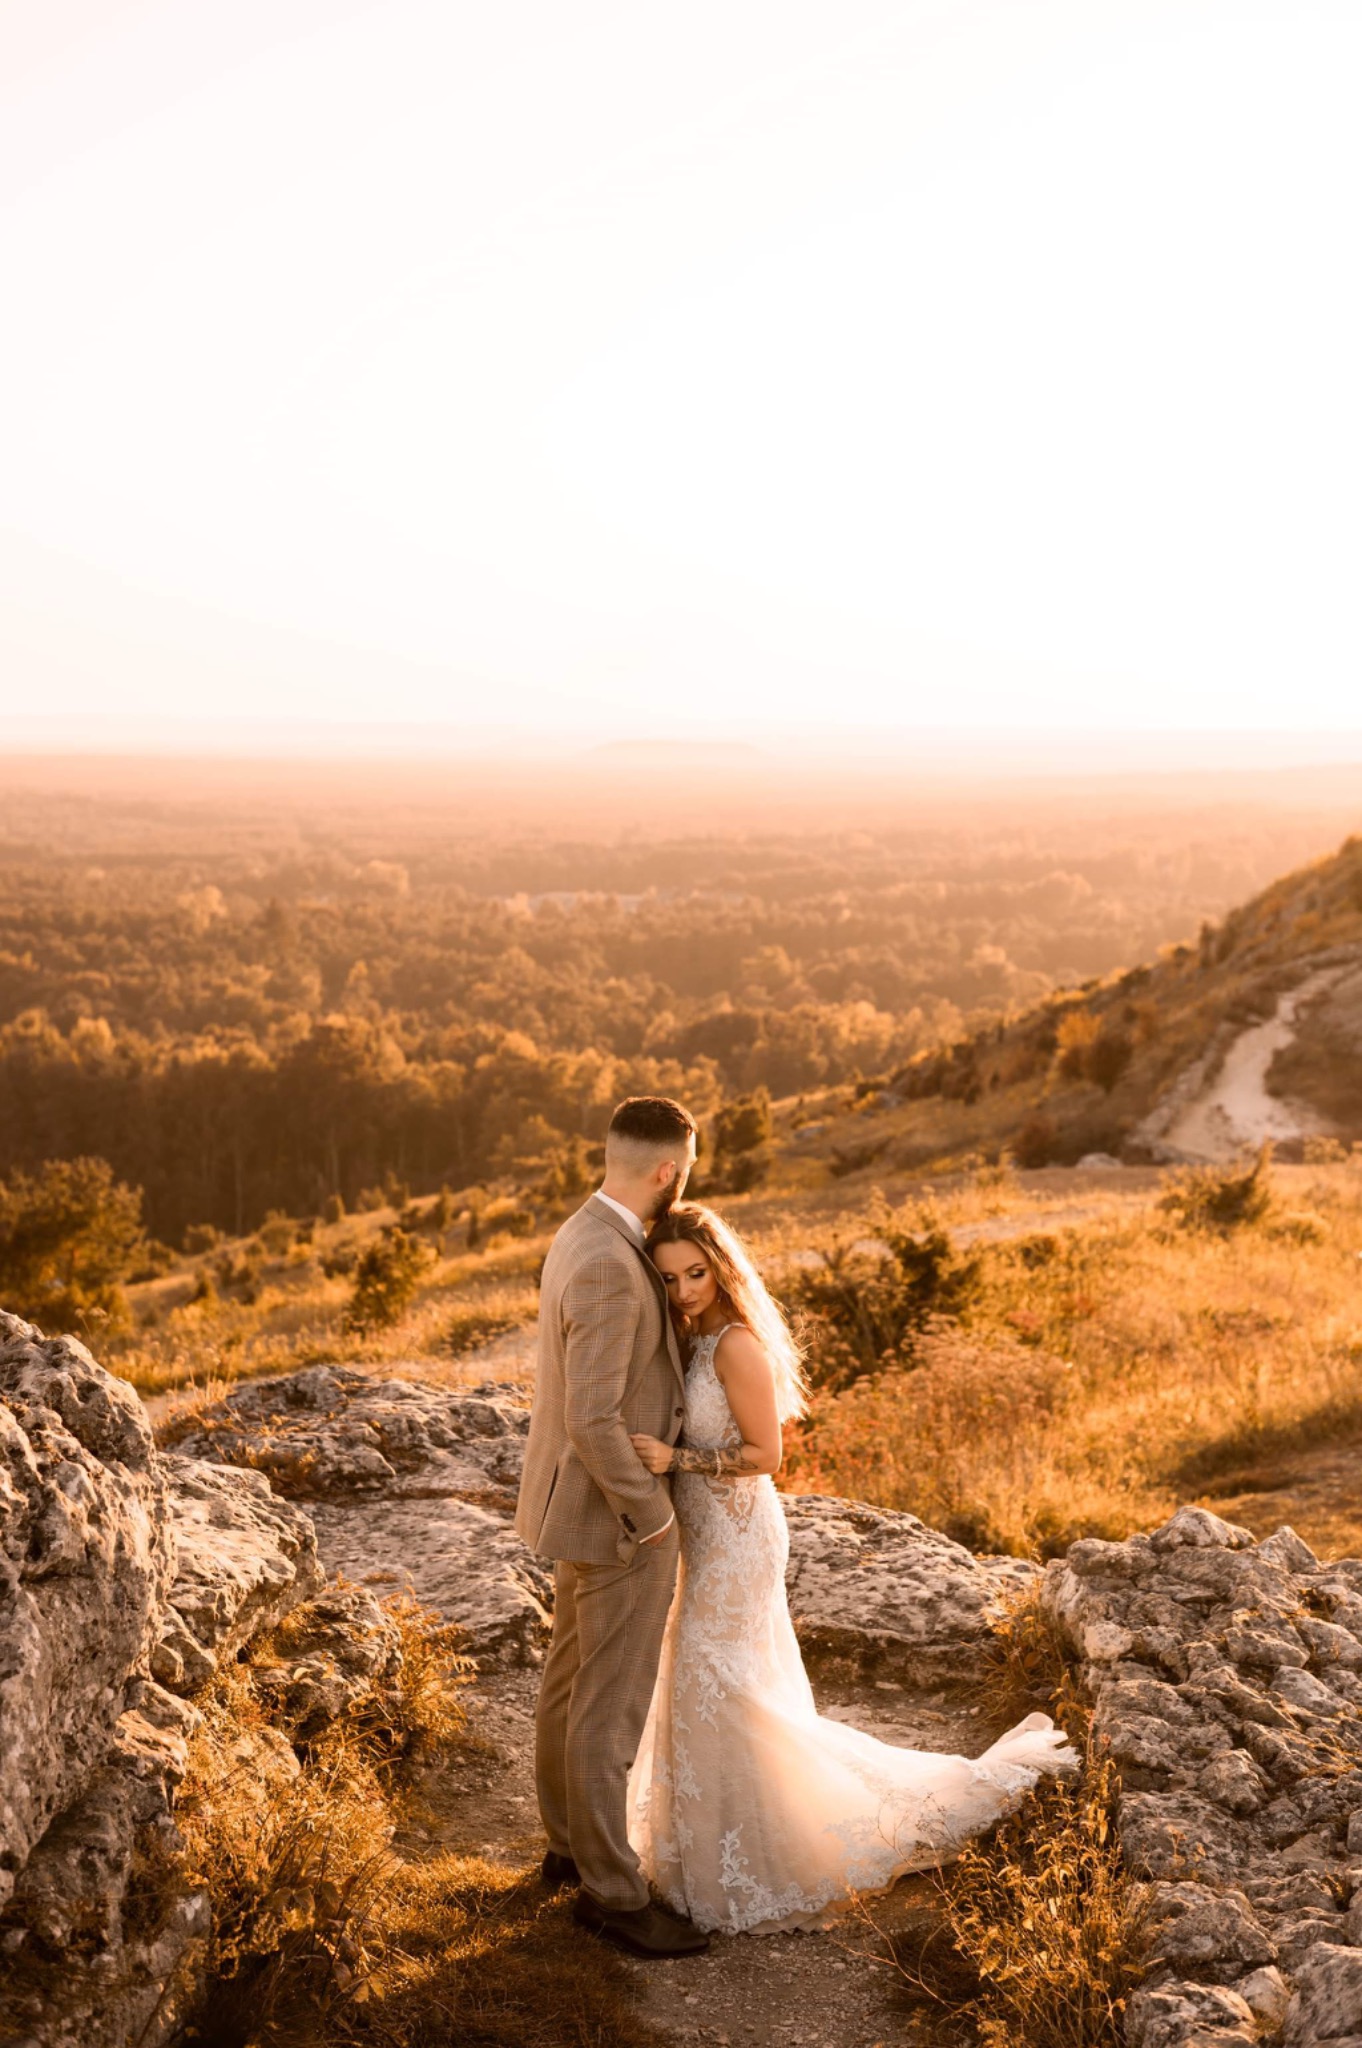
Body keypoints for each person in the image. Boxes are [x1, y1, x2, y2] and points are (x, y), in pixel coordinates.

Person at [625, 1201, 1078, 1937]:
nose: (683, 1290)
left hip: (739, 1536)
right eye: (669, 1278)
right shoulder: (689, 1336)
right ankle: (710, 1854)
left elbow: (767, 1457)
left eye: (696, 1274)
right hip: (702, 1535)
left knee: (721, 1680)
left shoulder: (737, 1345)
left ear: (722, 1268)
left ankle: (766, 1854)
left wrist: (676, 1459)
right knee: (701, 1679)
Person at [514, 1095, 711, 1959]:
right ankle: (612, 1894)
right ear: (669, 1170)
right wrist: (653, 1516)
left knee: (569, 1679)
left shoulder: (581, 1231)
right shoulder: (606, 1259)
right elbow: (594, 1419)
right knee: (609, 1698)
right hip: (614, 1517)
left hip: (573, 1505)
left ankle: (567, 1847)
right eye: (687, 1171)